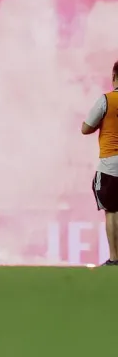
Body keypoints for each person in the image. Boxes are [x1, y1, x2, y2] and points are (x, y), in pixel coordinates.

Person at [82, 61, 118, 266]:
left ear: (114, 76)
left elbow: (86, 128)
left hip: (111, 162)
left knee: (112, 211)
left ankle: (115, 259)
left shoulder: (106, 100)